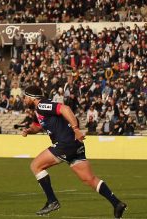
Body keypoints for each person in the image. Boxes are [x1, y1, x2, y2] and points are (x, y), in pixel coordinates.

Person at [20, 85, 126, 217]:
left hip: (66, 143)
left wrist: (76, 128)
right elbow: (37, 126)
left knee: (36, 166)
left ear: (32, 97)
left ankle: (52, 201)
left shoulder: (42, 105)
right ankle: (117, 203)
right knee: (89, 179)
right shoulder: (38, 110)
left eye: (25, 97)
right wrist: (29, 131)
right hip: (74, 145)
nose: (24, 100)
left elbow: (65, 108)